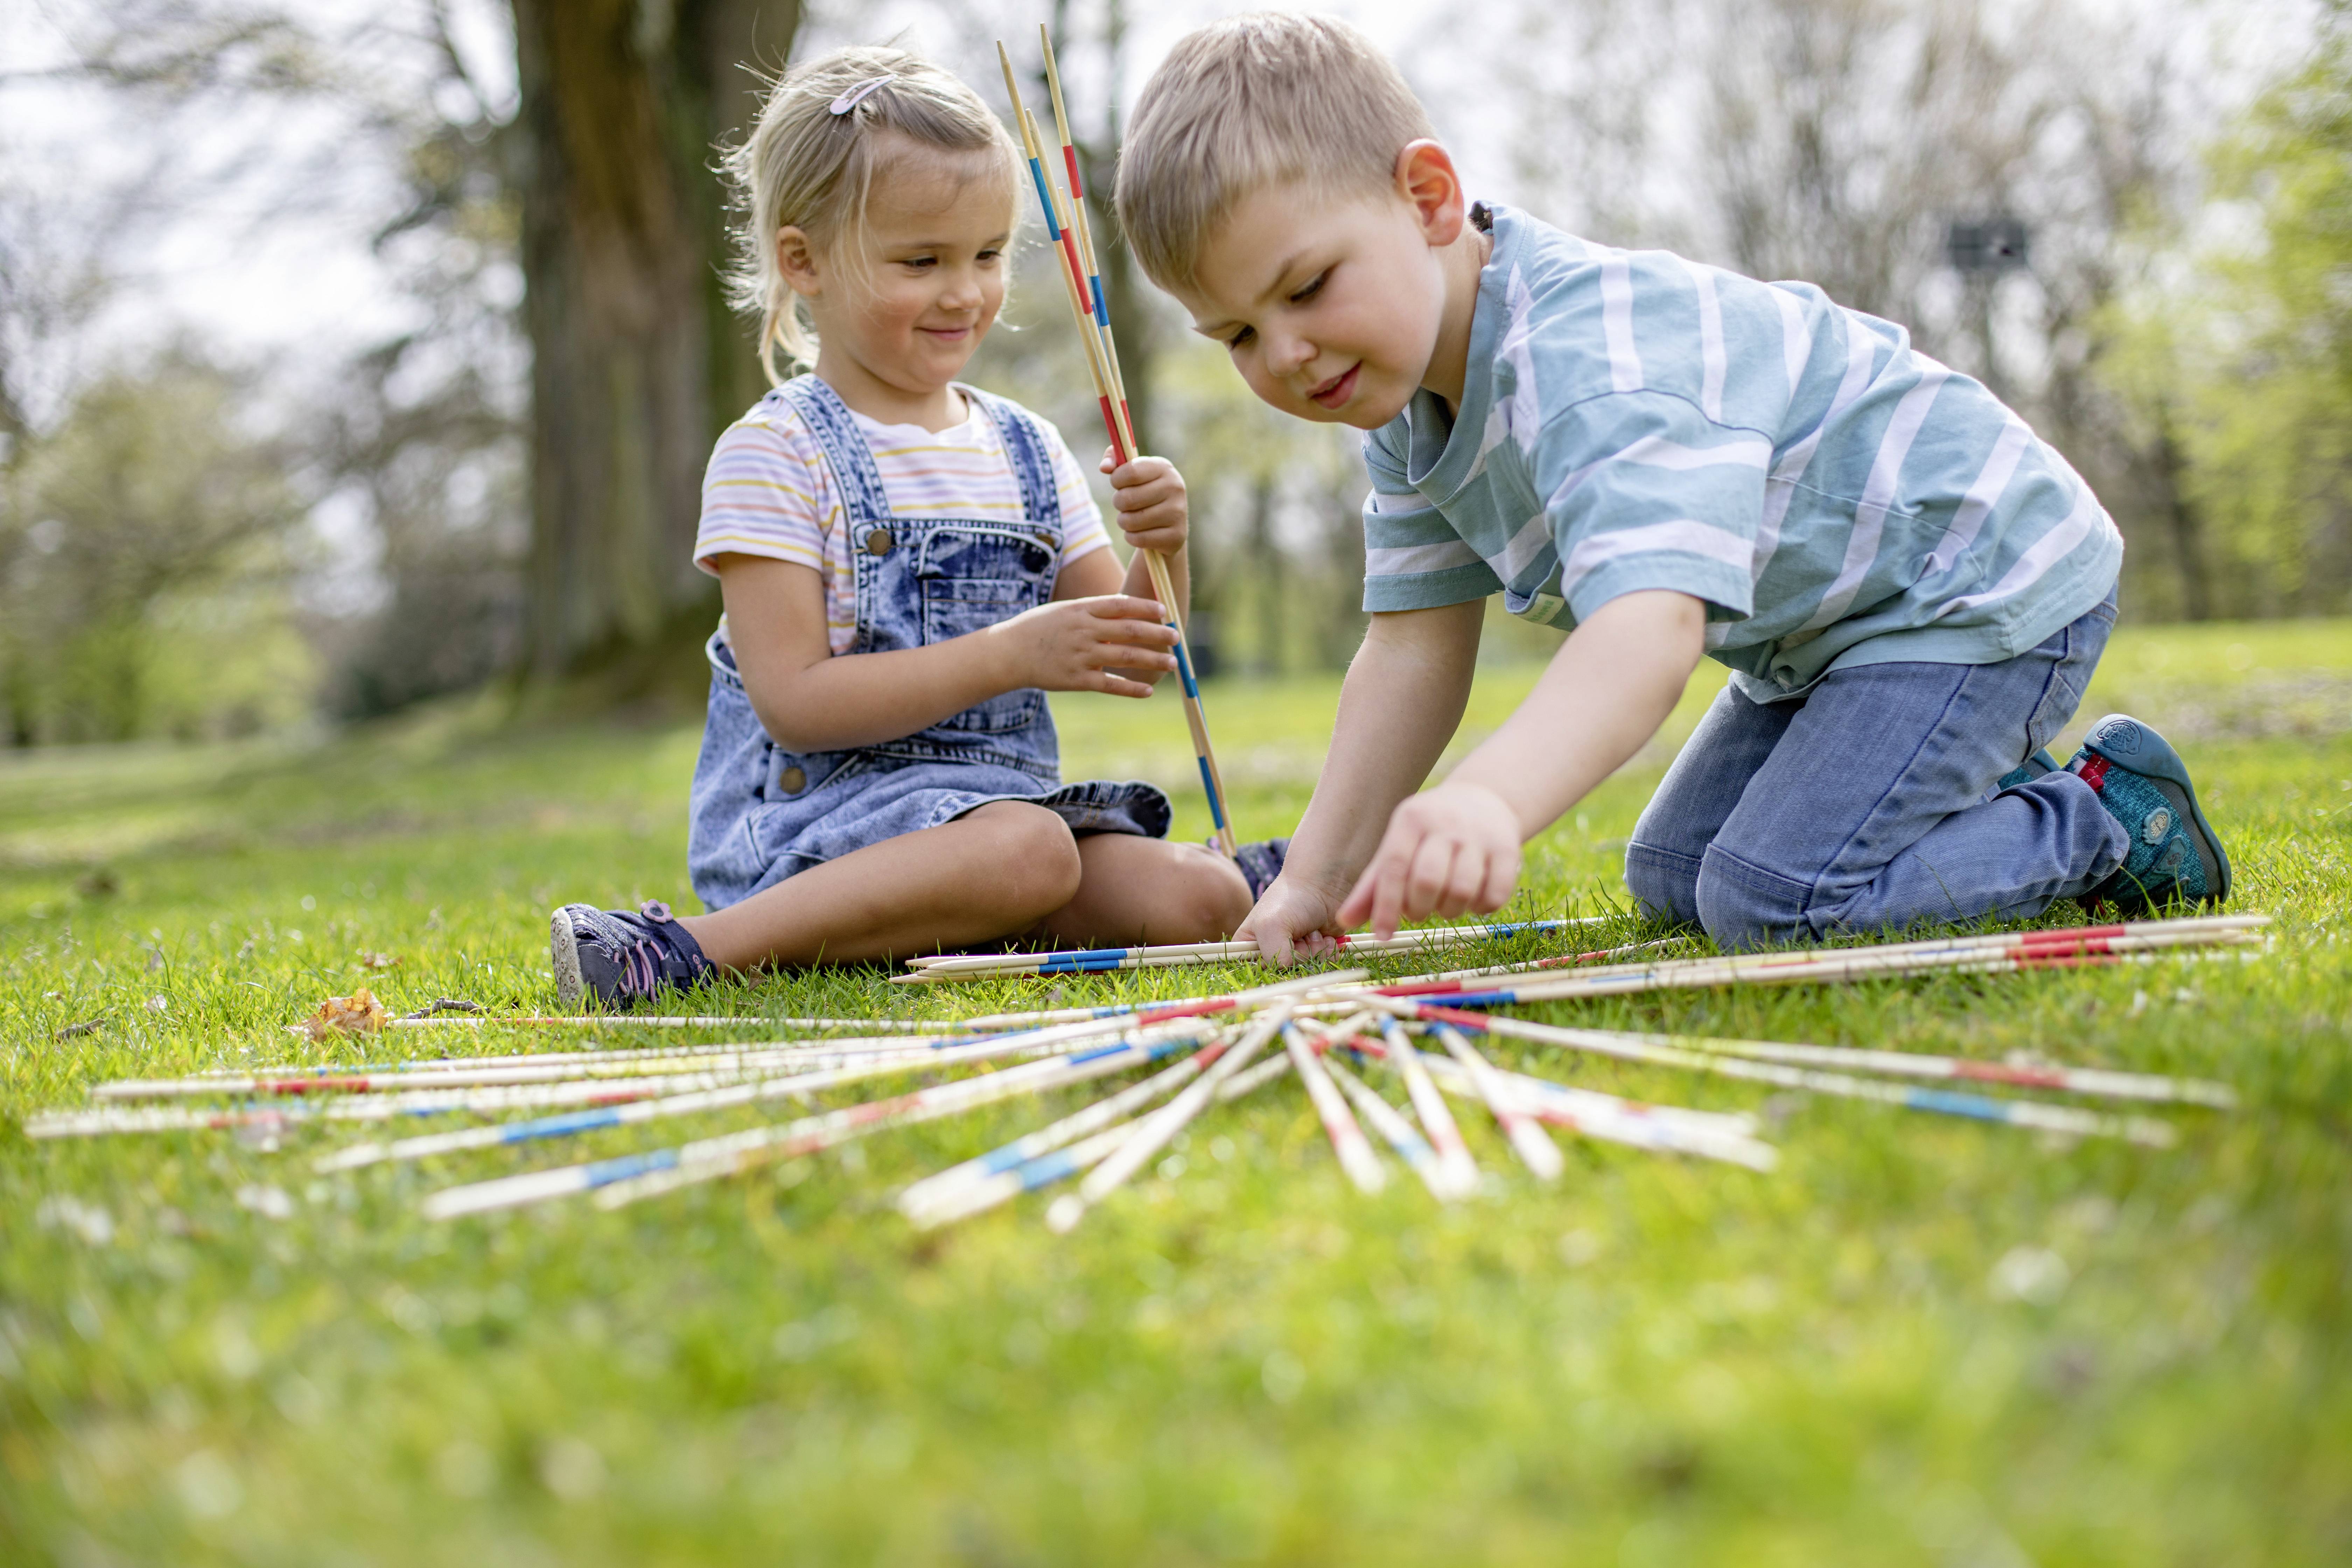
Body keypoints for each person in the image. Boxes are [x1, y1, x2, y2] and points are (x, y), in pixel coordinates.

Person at [1111, 13, 2229, 963]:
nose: (1288, 355)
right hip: (1835, 636)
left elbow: (1651, 630)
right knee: (1676, 873)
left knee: (1775, 898)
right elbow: (1410, 651)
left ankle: (2105, 820)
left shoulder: (1595, 364)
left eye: (1307, 287)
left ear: (1430, 196)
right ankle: (1954, 784)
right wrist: (1312, 879)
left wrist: (1489, 798)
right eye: (1239, 335)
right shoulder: (1411, 416)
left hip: (1972, 587)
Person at [550, 48, 1282, 1009]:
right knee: (1025, 851)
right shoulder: (776, 452)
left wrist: (1164, 547)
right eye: (921, 261)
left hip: (1002, 820)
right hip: (818, 828)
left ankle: (992, 905)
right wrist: (1012, 652)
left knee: (1200, 895)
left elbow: (1135, 658)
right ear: (802, 260)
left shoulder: (1026, 447)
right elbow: (798, 704)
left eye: (986, 257)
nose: (964, 293)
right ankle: (682, 949)